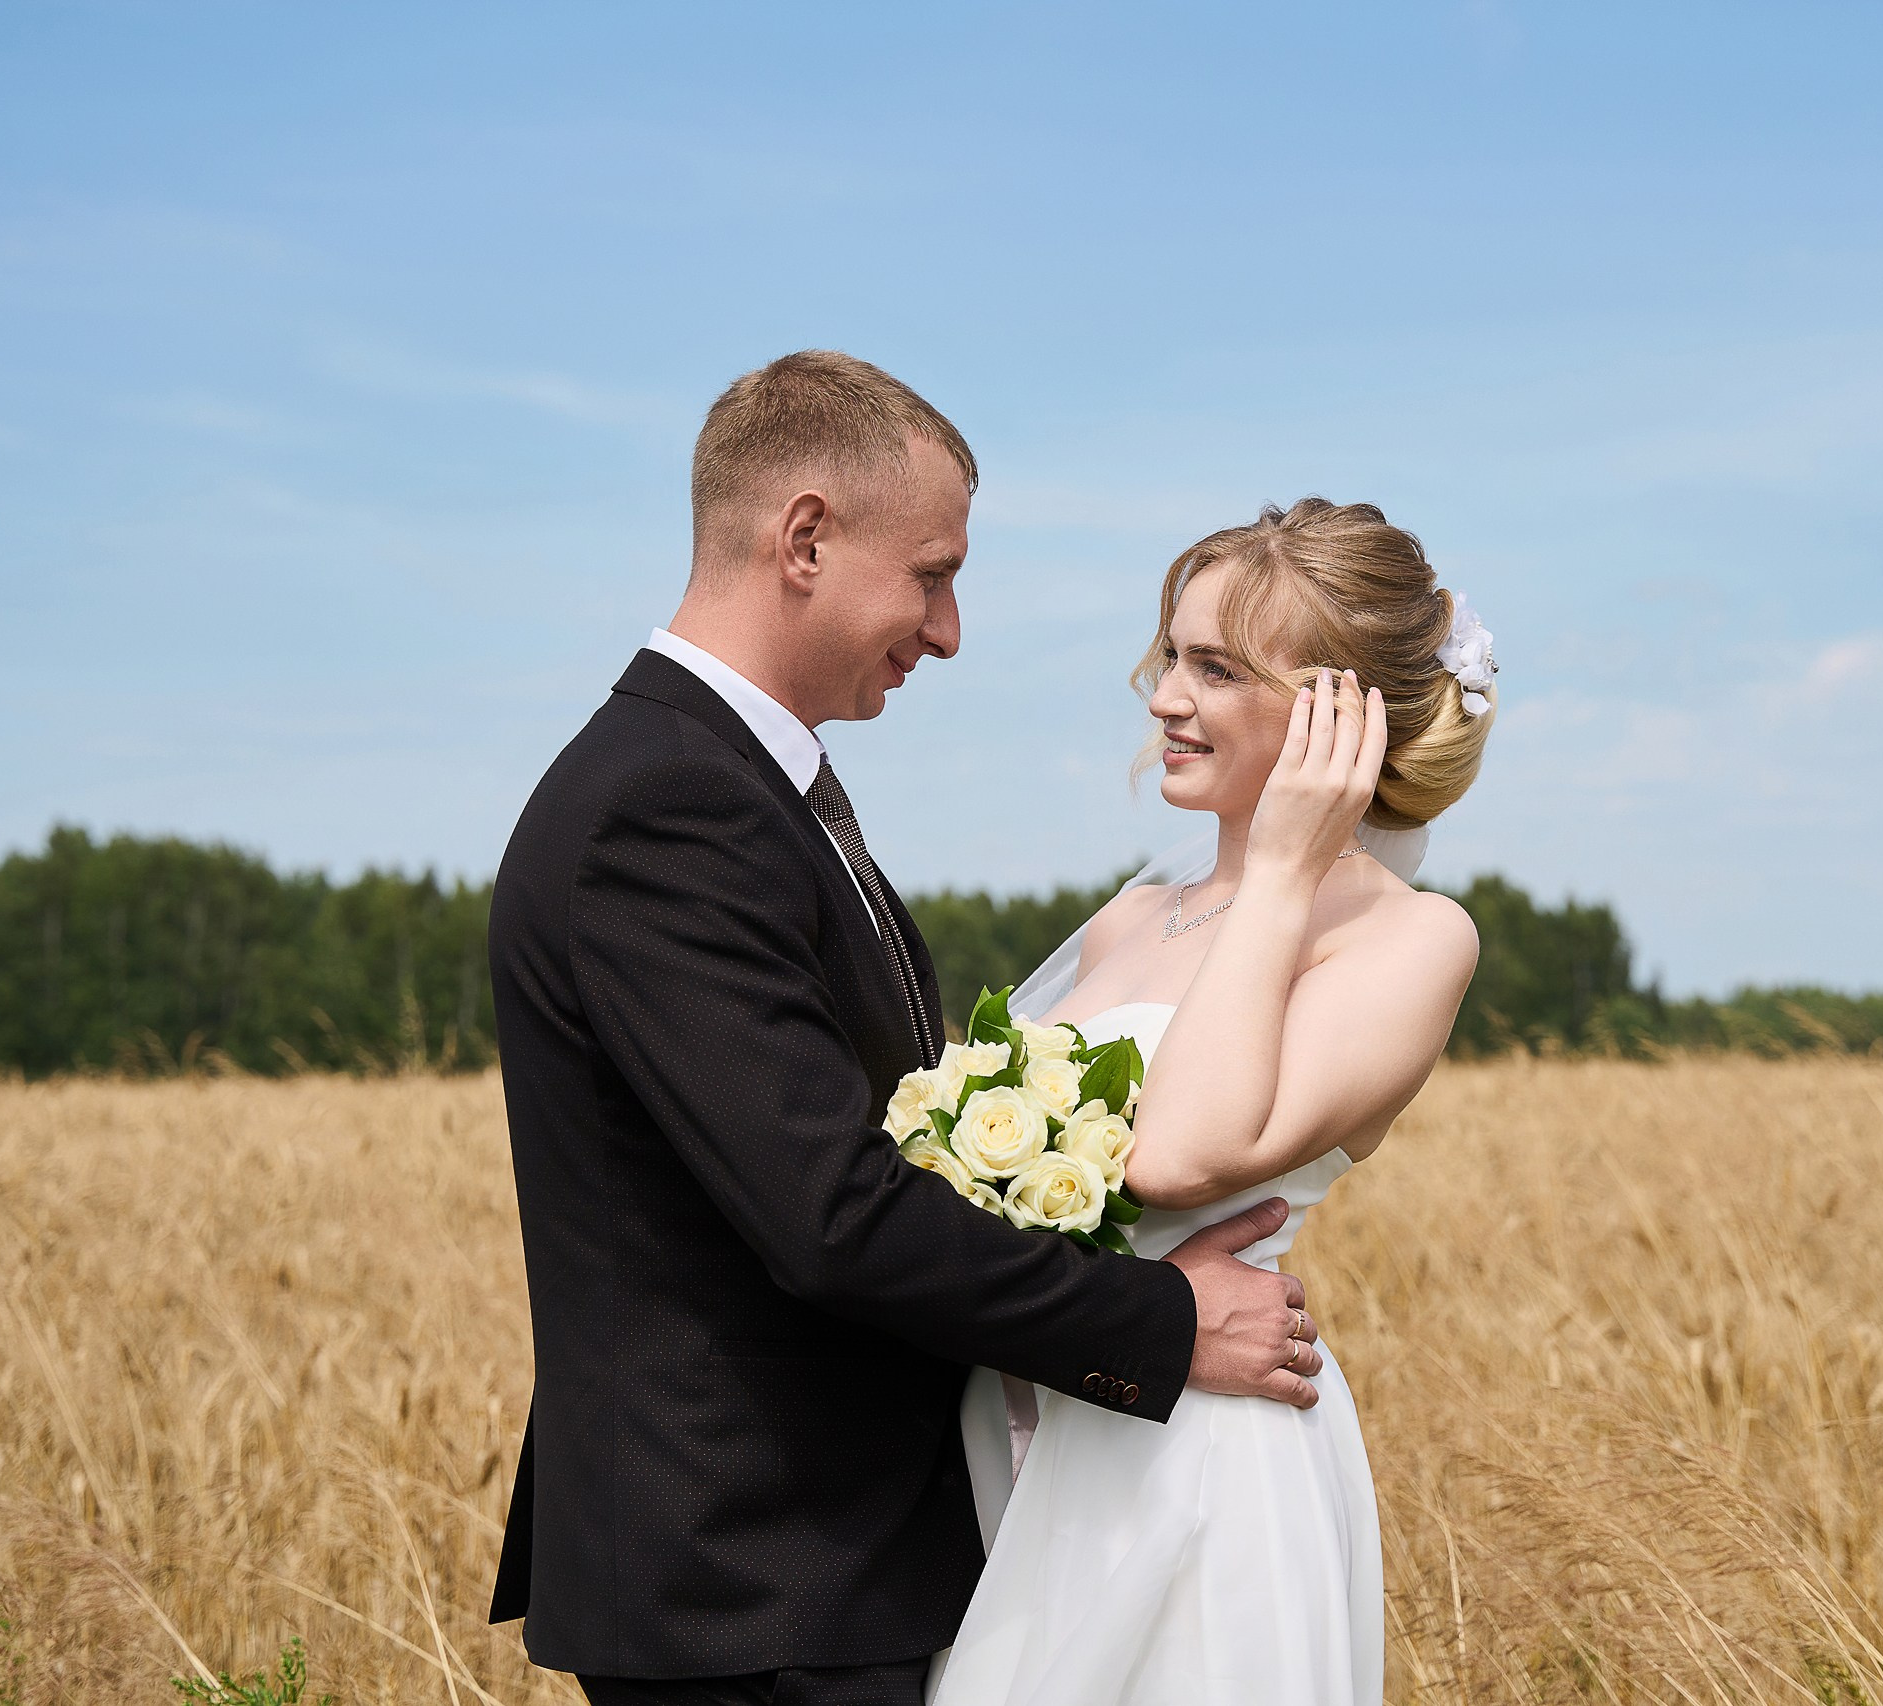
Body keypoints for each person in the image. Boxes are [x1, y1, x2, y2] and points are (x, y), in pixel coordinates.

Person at [484, 351, 1324, 1706]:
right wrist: (1161, 1318)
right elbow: (831, 1212)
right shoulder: (668, 807)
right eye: (933, 574)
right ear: (804, 537)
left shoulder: (736, 783)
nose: (947, 630)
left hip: (816, 1566)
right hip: (758, 1581)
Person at [930, 498, 1491, 1706]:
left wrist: (1284, 867)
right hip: (1031, 1423)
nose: (1165, 698)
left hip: (1204, 1449)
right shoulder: (1132, 916)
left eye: (1217, 668)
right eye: (1171, 656)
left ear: (1340, 714)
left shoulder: (1411, 939)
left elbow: (1182, 1153)